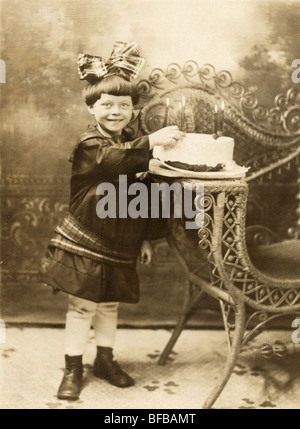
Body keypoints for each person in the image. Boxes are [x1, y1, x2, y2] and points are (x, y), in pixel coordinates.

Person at [39, 41, 185, 401]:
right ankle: (73, 367)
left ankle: (105, 360)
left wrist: (147, 238)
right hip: (88, 236)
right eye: (106, 105)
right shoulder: (93, 144)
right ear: (91, 107)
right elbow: (114, 162)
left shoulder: (133, 144)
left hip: (121, 239)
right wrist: (152, 142)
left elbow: (145, 192)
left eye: (124, 105)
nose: (116, 111)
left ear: (133, 109)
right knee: (83, 305)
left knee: (109, 303)